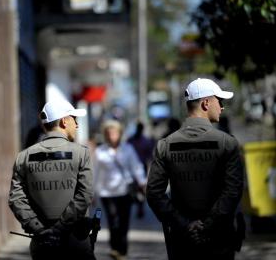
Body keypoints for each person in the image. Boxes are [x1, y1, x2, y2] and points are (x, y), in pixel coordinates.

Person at [146, 78, 244, 260]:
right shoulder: (227, 143)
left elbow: (154, 193)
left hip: (182, 241)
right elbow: (232, 191)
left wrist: (185, 225)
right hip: (219, 239)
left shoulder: (165, 145)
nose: (222, 107)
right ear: (206, 103)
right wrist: (208, 225)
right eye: (219, 101)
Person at [8, 99, 96, 260]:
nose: (76, 125)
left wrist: (40, 230)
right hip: (75, 242)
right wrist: (59, 229)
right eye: (74, 119)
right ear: (64, 121)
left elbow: (16, 199)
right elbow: (85, 195)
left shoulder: (23, 157)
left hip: (41, 243)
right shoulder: (81, 154)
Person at [93, 119, 146, 260]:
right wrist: (92, 193)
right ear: (105, 134)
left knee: (124, 221)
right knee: (112, 220)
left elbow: (136, 166)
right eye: (109, 133)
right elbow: (95, 172)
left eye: (114, 132)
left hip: (125, 191)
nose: (111, 135)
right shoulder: (100, 151)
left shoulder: (127, 148)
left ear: (120, 133)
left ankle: (122, 249)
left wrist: (142, 182)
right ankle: (114, 247)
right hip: (106, 192)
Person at [127, 121, 155, 218]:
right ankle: (133, 204)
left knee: (141, 188)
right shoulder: (131, 140)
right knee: (132, 188)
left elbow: (150, 156)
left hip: (142, 166)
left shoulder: (145, 141)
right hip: (131, 168)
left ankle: (140, 208)